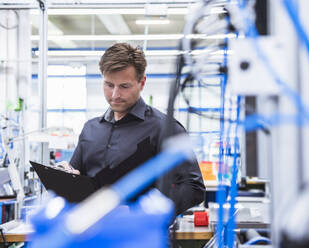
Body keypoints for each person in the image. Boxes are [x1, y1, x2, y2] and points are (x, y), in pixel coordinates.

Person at [59, 42, 205, 216]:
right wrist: (66, 175)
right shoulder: (90, 128)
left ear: (141, 83)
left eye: (124, 86)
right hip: (93, 234)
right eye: (109, 85)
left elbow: (193, 188)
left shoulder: (166, 129)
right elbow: (78, 177)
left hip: (143, 236)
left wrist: (139, 211)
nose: (115, 95)